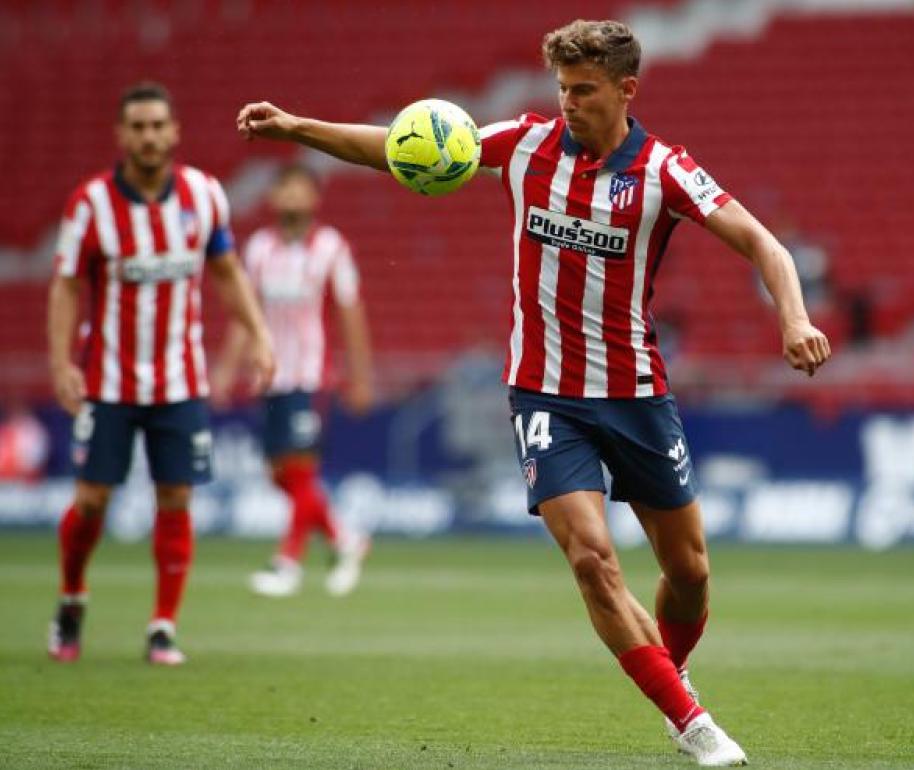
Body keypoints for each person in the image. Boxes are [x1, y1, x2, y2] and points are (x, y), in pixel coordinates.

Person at [236, 18, 830, 767]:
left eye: (584, 91)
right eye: (562, 89)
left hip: (636, 391)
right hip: (544, 394)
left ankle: (669, 667)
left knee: (690, 572)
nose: (569, 103)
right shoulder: (524, 143)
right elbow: (394, 151)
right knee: (592, 559)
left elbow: (763, 244)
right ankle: (689, 720)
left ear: (626, 89)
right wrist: (297, 127)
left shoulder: (665, 170)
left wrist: (795, 317)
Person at [47, 82, 274, 666]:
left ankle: (162, 626)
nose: (149, 136)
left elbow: (225, 271)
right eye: (138, 127)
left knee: (175, 497)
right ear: (122, 135)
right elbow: (68, 285)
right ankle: (72, 599)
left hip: (181, 380)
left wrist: (258, 333)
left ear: (174, 132)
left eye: (157, 126)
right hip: (109, 382)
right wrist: (59, 360)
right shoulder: (91, 203)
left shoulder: (204, 195)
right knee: (93, 499)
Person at [211, 163, 374, 598]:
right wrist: (228, 369)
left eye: (300, 189)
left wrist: (359, 377)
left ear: (314, 199)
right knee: (279, 474)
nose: (291, 196)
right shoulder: (260, 248)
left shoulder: (330, 247)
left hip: (310, 375)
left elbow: (350, 313)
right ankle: (344, 538)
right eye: (284, 187)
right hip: (270, 376)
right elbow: (246, 316)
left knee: (300, 469)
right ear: (273, 196)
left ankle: (287, 562)